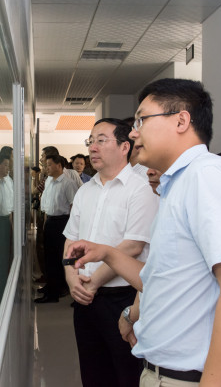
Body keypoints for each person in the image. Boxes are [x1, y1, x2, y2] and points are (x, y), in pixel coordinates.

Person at [68, 78, 221, 386]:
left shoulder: (208, 176)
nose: (134, 133)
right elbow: (161, 277)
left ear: (181, 121)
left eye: (142, 120)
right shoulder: (178, 184)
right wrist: (106, 253)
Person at [63, 118, 158, 387]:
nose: (93, 147)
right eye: (90, 141)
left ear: (125, 146)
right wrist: (71, 278)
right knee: (92, 372)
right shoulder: (85, 191)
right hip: (84, 299)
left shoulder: (141, 189)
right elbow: (70, 240)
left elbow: (133, 246)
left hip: (122, 299)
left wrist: (93, 282)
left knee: (126, 373)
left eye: (101, 140)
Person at [35, 154, 79, 303]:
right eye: (45, 165)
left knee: (57, 258)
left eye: (49, 165)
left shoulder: (68, 183)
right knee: (49, 257)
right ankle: (50, 286)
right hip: (50, 220)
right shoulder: (49, 181)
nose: (46, 168)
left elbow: (74, 206)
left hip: (62, 222)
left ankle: (55, 292)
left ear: (59, 166)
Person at [0, 154, 13, 303]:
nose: (8, 168)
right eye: (5, 165)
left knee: (6, 257)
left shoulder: (7, 181)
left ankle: (5, 290)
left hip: (7, 220)